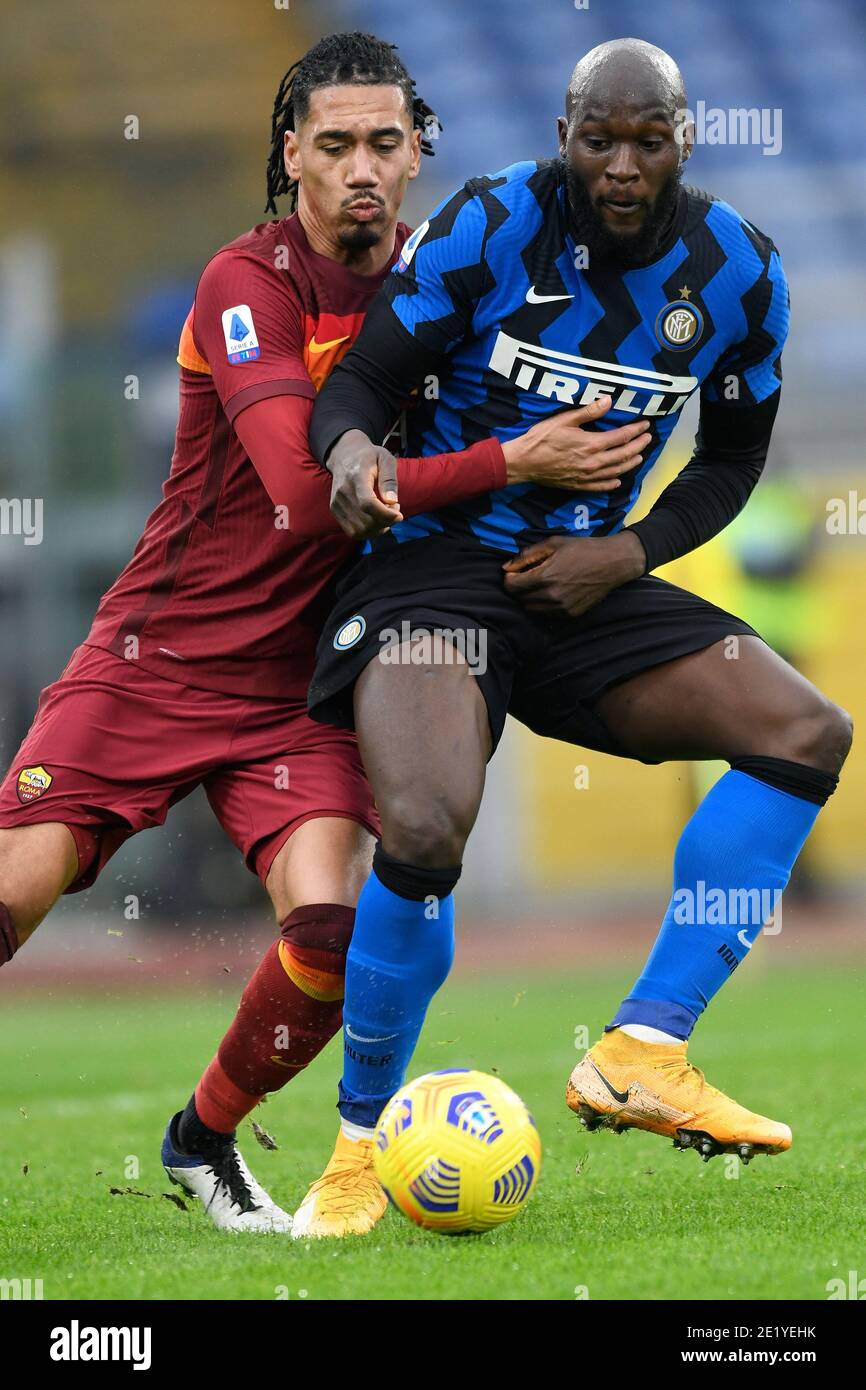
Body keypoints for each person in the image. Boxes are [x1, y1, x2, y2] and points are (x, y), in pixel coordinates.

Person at [0, 32, 606, 1232]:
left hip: (309, 681)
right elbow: (296, 490)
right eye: (334, 145)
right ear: (292, 157)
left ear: (418, 152)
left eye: (385, 141)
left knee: (330, 934)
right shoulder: (247, 280)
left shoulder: (447, 287)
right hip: (161, 655)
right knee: (15, 891)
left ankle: (202, 1140)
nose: (361, 167)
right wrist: (506, 458)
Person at [294, 38, 852, 1238]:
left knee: (803, 729)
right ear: (562, 132)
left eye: (645, 140)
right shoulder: (494, 225)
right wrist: (348, 455)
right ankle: (354, 1144)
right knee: (430, 830)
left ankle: (642, 1048)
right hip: (435, 579)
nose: (618, 164)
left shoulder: (739, 273)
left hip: (584, 583)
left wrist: (629, 554)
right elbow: (354, 390)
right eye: (596, 138)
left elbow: (734, 457)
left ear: (682, 140)